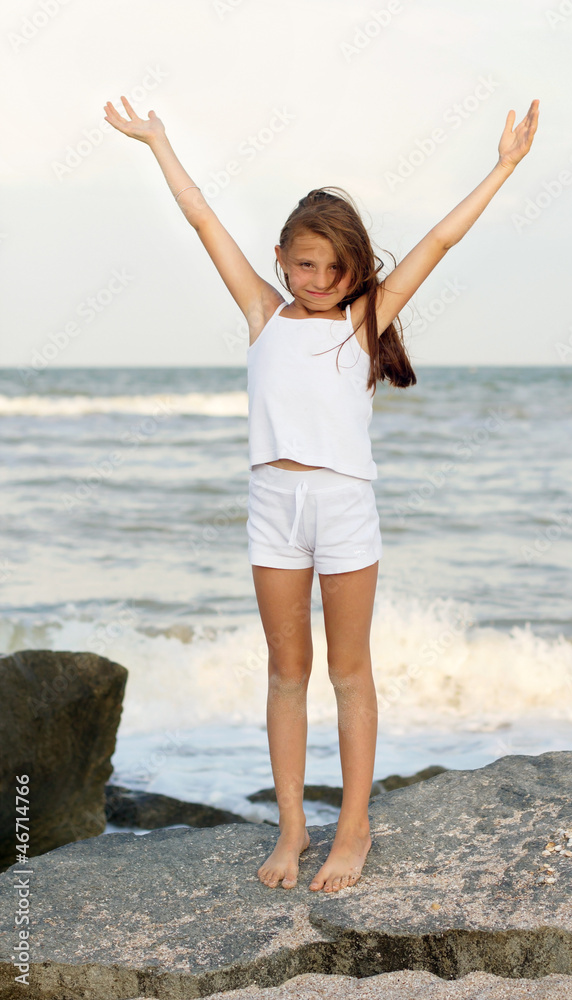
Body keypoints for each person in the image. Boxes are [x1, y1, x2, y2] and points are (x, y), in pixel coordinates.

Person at [103, 95, 540, 894]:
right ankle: (293, 827)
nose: (317, 280)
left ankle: (353, 828)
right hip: (272, 508)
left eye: (333, 269)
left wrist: (503, 165)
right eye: (304, 265)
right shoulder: (261, 314)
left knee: (348, 673)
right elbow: (201, 219)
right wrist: (158, 142)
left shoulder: (365, 319)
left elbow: (441, 239)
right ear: (280, 258)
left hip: (342, 510)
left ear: (354, 272)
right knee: (283, 671)